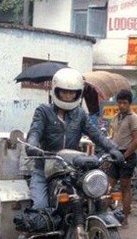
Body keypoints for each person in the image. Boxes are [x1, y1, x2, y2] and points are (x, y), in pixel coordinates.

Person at [25, 67, 123, 209]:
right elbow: (35, 132)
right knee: (40, 207)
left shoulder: (80, 114)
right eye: (64, 91)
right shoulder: (43, 111)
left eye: (72, 92)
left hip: (71, 168)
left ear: (78, 94)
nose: (67, 96)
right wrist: (31, 146)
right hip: (45, 167)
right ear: (56, 91)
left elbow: (96, 134)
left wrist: (113, 149)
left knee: (94, 200)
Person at [108, 89, 137, 226]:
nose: (121, 105)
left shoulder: (133, 117)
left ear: (129, 103)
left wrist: (125, 155)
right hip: (115, 155)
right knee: (108, 186)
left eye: (124, 103)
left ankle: (125, 218)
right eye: (119, 103)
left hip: (127, 156)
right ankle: (103, 215)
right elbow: (113, 136)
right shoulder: (116, 117)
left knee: (125, 188)